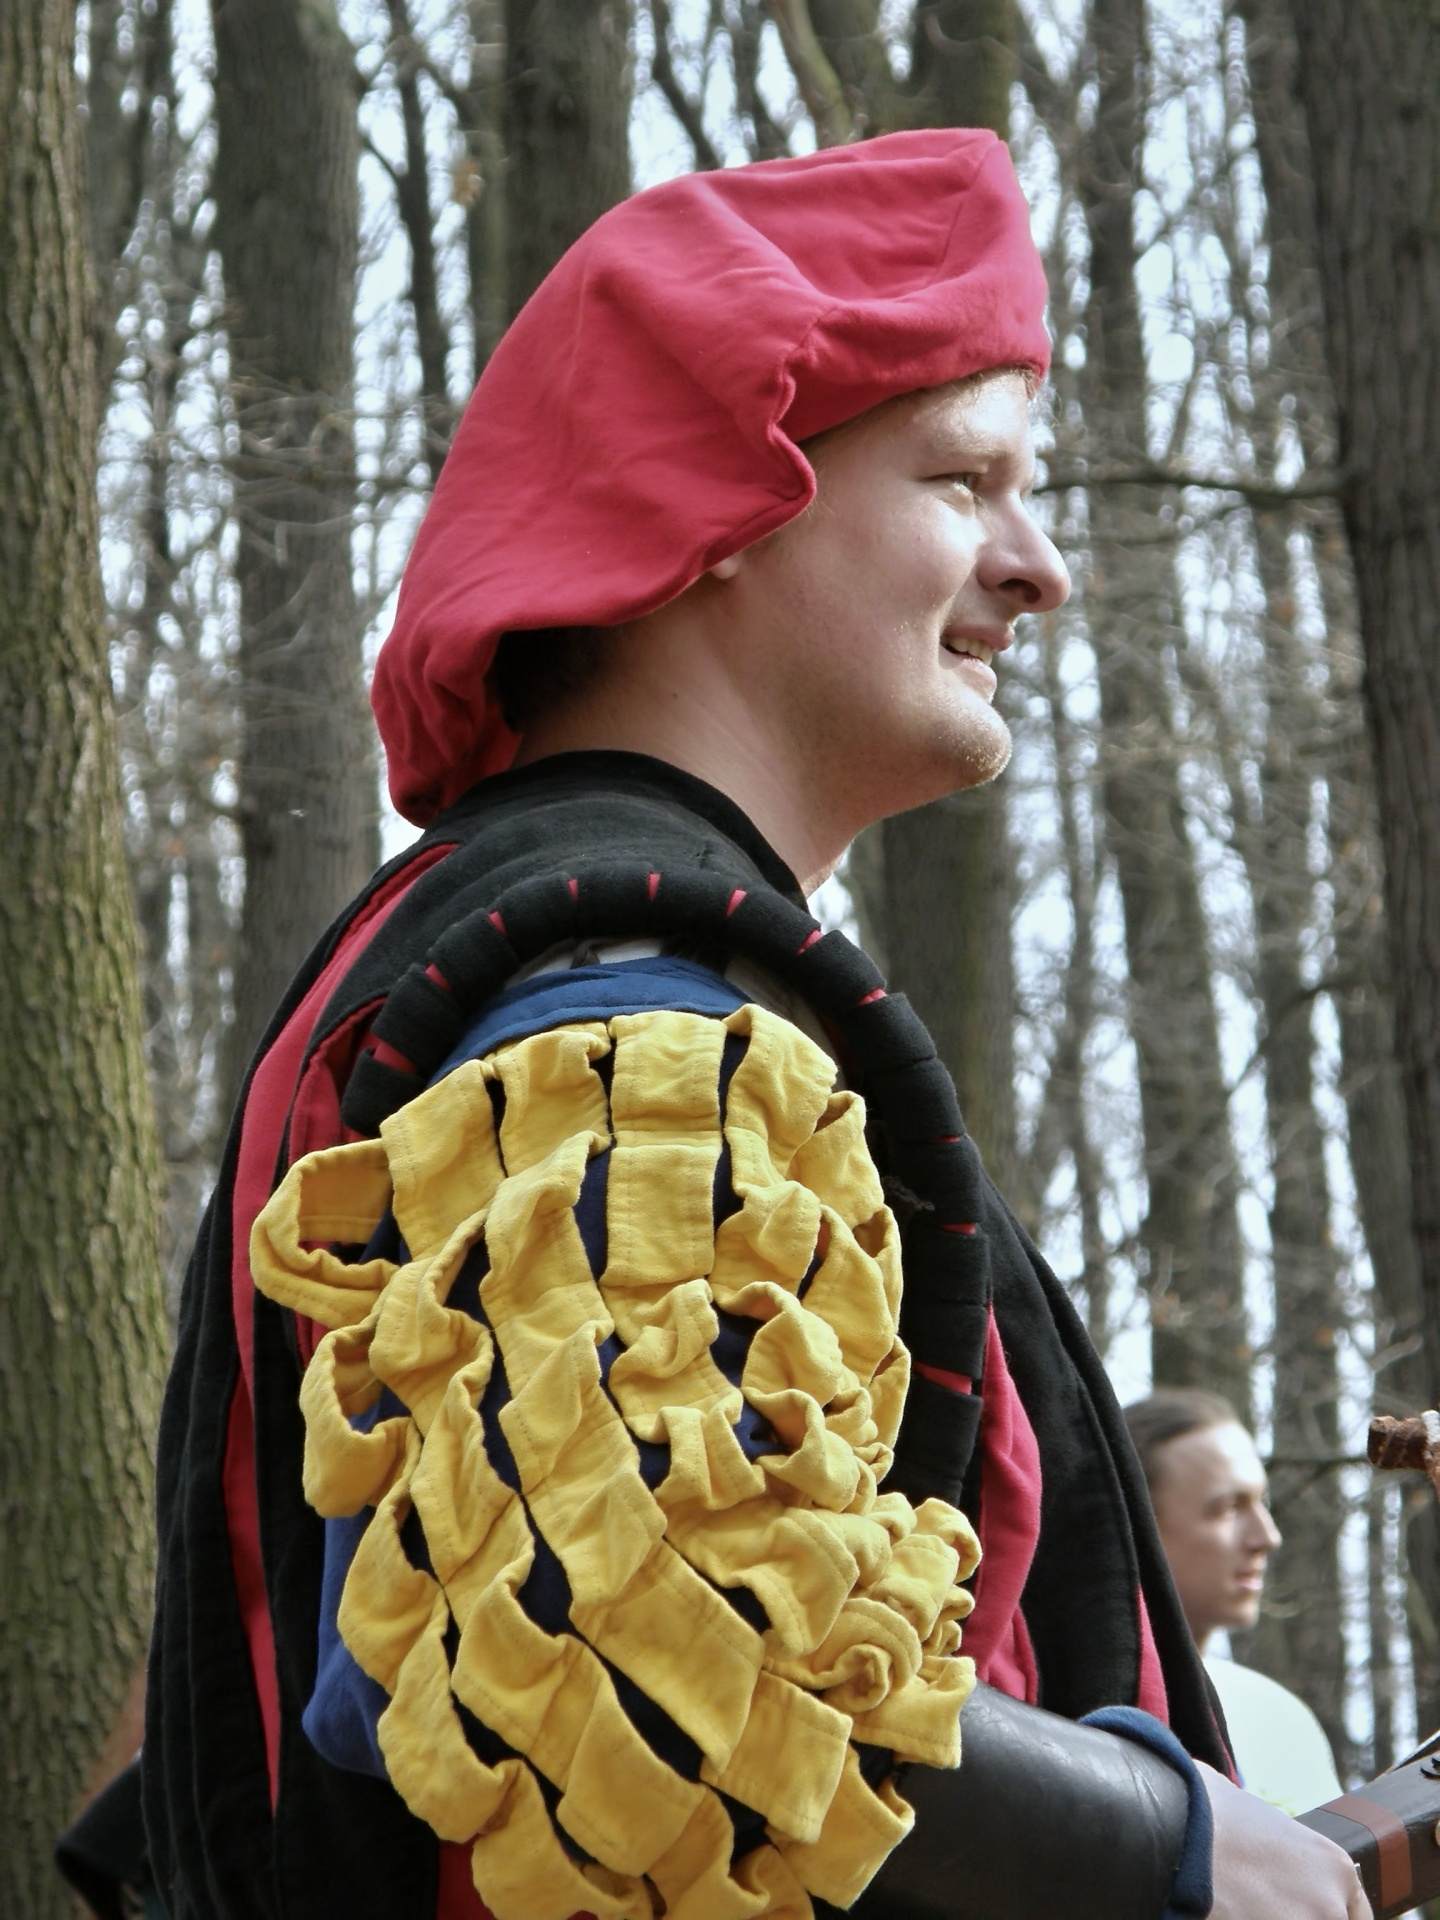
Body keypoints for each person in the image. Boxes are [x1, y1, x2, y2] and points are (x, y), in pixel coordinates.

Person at [143, 130, 1370, 1920]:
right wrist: (1167, 1846)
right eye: (963, 480)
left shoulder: (593, 966)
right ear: (713, 501)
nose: (1040, 567)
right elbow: (629, 1613)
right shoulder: (614, 1009)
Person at [1126, 1388, 1345, 1815]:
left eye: (1260, 1501)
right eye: (1229, 1508)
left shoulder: (1278, 1719)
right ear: (1139, 1527)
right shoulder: (1067, 1717)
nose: (1267, 1537)